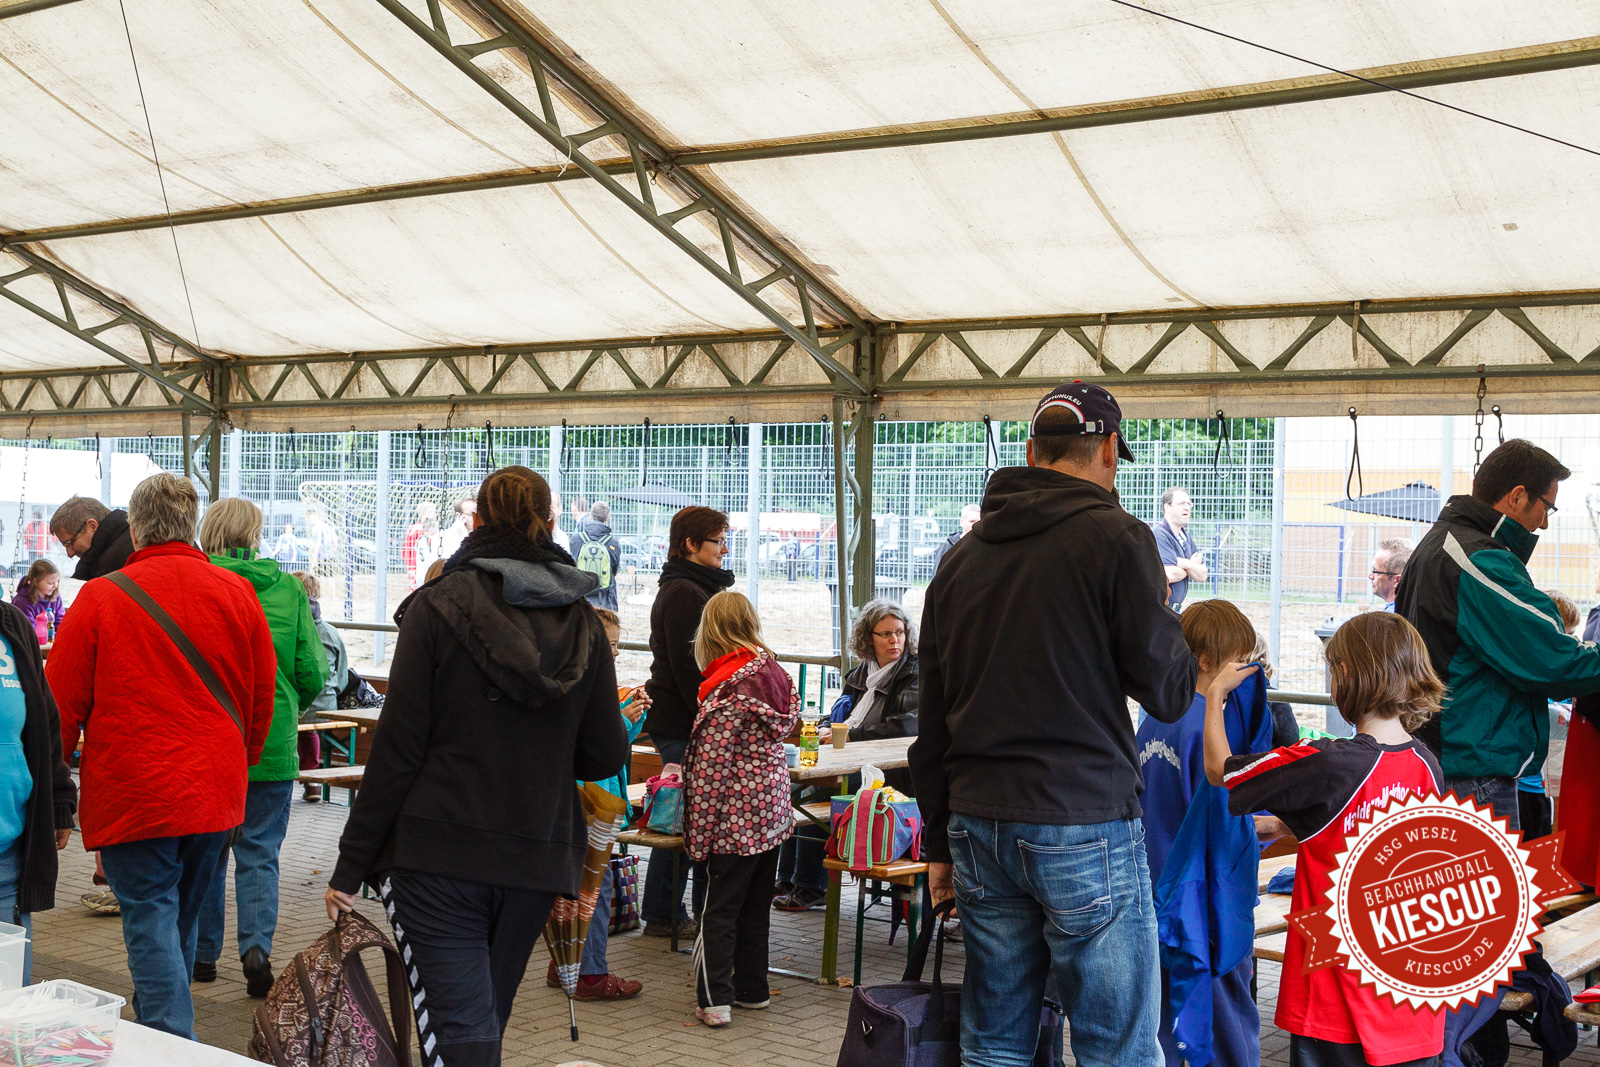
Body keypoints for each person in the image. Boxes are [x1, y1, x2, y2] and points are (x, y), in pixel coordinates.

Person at [910, 381, 1197, 1065]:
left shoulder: (961, 557)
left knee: (995, 1042)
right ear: (1105, 451)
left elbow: (934, 717)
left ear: (1032, 451)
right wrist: (1165, 613)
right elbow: (1169, 688)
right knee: (1116, 1045)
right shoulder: (1119, 538)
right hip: (1082, 817)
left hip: (978, 822)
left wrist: (939, 845)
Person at [325, 466, 627, 1067]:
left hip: (437, 853)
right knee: (483, 1023)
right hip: (535, 856)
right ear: (550, 523)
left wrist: (350, 865)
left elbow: (398, 749)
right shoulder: (585, 623)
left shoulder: (436, 608)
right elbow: (605, 753)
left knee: (462, 1033)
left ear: (476, 522)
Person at [47, 473, 276, 1039]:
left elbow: (59, 706)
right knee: (178, 916)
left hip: (134, 791)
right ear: (190, 523)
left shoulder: (101, 597)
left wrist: (53, 781)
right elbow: (260, 693)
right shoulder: (236, 593)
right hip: (213, 791)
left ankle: (171, 1039)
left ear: (139, 527)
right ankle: (159, 1017)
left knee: (149, 914)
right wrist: (238, 762)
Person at [1206, 611, 1446, 1066]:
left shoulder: (1326, 760)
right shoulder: (1427, 764)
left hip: (1336, 998)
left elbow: (1220, 770)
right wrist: (1289, 825)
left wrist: (1215, 694)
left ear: (1347, 675)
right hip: (1411, 1000)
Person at [1396, 438, 1600, 829]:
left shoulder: (1446, 543)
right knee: (1486, 889)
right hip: (1470, 769)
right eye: (1547, 507)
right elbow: (1551, 659)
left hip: (1448, 757)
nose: (1544, 522)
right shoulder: (1477, 560)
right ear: (1518, 496)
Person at [194, 498, 327, 995]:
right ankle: (255, 950)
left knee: (206, 852)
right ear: (255, 534)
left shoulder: (196, 582)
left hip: (209, 742)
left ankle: (203, 956)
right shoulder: (289, 587)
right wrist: (289, 702)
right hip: (270, 739)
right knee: (260, 852)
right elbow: (313, 668)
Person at [1136, 599, 1269, 1067]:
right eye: (1242, 659)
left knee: (1166, 1020)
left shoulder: (1154, 718)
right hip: (1205, 900)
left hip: (1157, 892)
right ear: (1209, 660)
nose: (1250, 672)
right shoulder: (1208, 726)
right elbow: (1226, 817)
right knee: (1228, 1018)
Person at [685, 591, 799, 1027]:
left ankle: (714, 1000)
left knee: (718, 911)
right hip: (771, 811)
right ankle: (754, 989)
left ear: (710, 630)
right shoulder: (774, 673)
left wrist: (697, 836)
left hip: (732, 819)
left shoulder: (727, 688)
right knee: (755, 906)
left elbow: (711, 768)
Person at [776, 599, 919, 912]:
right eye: (886, 634)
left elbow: (908, 725)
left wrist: (852, 735)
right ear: (869, 639)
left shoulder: (913, 674)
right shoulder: (859, 674)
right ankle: (786, 878)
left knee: (818, 791)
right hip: (852, 759)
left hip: (890, 774)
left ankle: (811, 885)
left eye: (899, 633)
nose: (895, 640)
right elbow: (839, 713)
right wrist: (827, 728)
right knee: (785, 791)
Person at [544, 607, 648, 1000]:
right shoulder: (577, 685)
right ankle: (589, 974)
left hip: (592, 796)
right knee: (595, 886)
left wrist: (630, 719)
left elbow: (610, 741)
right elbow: (586, 744)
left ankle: (564, 963)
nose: (616, 653)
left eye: (619, 645)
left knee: (574, 885)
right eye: (611, 644)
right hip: (586, 799)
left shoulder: (582, 680)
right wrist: (622, 722)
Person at [640, 505, 734, 939]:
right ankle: (662, 912)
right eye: (717, 541)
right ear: (691, 544)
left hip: (688, 720)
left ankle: (663, 911)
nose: (725, 549)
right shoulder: (684, 592)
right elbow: (688, 670)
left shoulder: (695, 588)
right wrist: (713, 719)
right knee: (681, 815)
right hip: (683, 722)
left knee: (681, 813)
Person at [50, 498, 135, 918]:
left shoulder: (111, 573)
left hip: (123, 725)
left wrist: (54, 771)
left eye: (69, 543)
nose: (67, 554)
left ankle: (119, 885)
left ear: (90, 526)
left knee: (150, 905)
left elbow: (66, 691)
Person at [0, 593, 76, 985]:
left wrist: (60, 799)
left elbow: (45, 723)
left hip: (9, 850)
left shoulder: (11, 625)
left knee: (11, 1000)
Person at [292, 572, 348, 803]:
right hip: (327, 705)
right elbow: (342, 678)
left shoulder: (291, 632)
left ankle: (302, 778)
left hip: (297, 708)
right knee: (310, 730)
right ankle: (313, 781)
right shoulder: (331, 633)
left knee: (298, 720)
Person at [49, 496, 134, 581]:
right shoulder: (133, 538)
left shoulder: (108, 565)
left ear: (92, 526)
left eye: (70, 542)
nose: (69, 553)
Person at [1154, 487, 1207, 611]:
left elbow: (1202, 575)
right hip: (1162, 610)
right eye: (1182, 504)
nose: (1187, 508)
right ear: (1167, 507)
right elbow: (1168, 575)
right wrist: (1191, 566)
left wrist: (1183, 563)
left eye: (1189, 504)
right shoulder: (1160, 535)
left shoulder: (1185, 537)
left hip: (1176, 609)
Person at [571, 500, 623, 610]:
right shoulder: (613, 543)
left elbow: (573, 565)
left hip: (581, 597)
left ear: (590, 516)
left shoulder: (576, 540)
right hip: (605, 598)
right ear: (607, 518)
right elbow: (614, 570)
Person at [11, 559, 62, 650]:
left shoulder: (55, 596)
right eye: (50, 583)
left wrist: (59, 636)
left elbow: (60, 620)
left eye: (57, 581)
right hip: (29, 646)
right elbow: (28, 630)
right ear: (36, 581)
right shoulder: (23, 601)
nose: (55, 586)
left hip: (50, 643)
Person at [400, 502, 438, 590]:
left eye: (434, 511)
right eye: (430, 511)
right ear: (422, 514)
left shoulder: (437, 530)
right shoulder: (415, 529)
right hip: (418, 567)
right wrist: (411, 567)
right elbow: (407, 549)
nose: (433, 514)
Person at [1368, 537, 1412, 612]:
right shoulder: (1412, 609)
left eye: (1375, 571)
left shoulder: (1389, 619)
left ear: (1397, 580)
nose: (1370, 576)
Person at [931, 504, 980, 571]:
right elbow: (937, 576)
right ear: (961, 522)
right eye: (972, 521)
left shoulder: (984, 547)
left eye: (979, 522)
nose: (975, 525)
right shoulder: (948, 547)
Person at [306, 507, 340, 578]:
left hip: (320, 555)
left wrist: (314, 557)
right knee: (330, 576)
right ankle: (332, 589)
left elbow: (317, 543)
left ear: (316, 516)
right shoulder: (329, 527)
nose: (310, 520)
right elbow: (335, 540)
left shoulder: (316, 528)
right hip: (329, 555)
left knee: (316, 576)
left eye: (311, 518)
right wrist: (333, 551)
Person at [439, 495, 475, 560]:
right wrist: (463, 536)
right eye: (471, 514)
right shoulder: (446, 537)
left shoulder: (479, 534)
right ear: (458, 516)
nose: (475, 517)